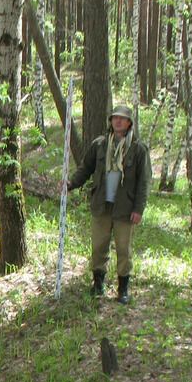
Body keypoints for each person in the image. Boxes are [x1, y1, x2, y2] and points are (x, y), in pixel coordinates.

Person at [66, 104, 152, 304]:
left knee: (124, 249)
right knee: (98, 246)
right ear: (111, 121)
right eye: (115, 118)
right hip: (101, 205)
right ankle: (98, 284)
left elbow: (144, 182)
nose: (118, 121)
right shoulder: (100, 145)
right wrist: (71, 183)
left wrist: (139, 209)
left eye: (122, 118)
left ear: (129, 122)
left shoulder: (138, 149)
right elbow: (85, 169)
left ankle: (123, 289)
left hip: (125, 207)